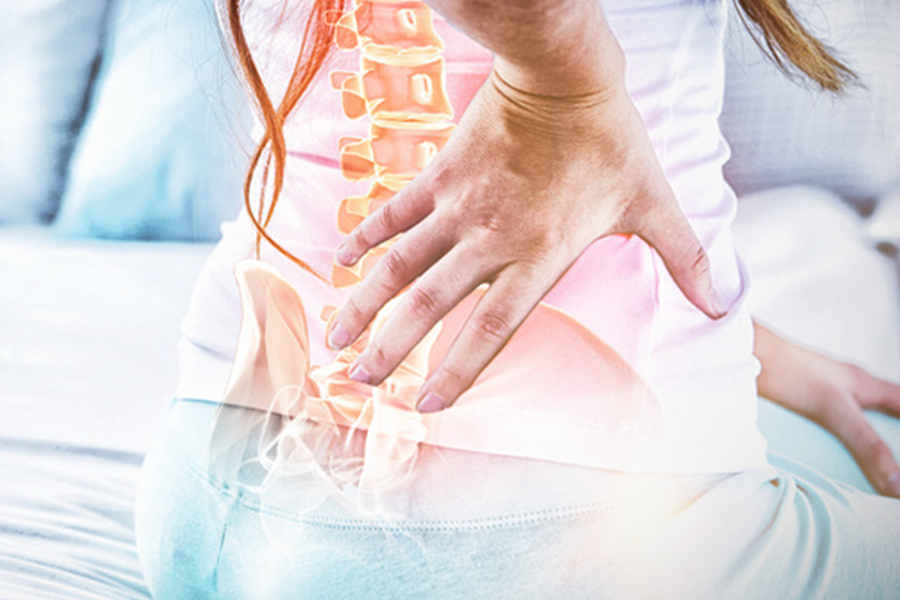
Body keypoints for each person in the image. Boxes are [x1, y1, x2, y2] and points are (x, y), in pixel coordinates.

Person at [134, 0, 900, 597]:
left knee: (857, 439)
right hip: (554, 551)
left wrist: (742, 348)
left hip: (201, 499)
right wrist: (558, 86)